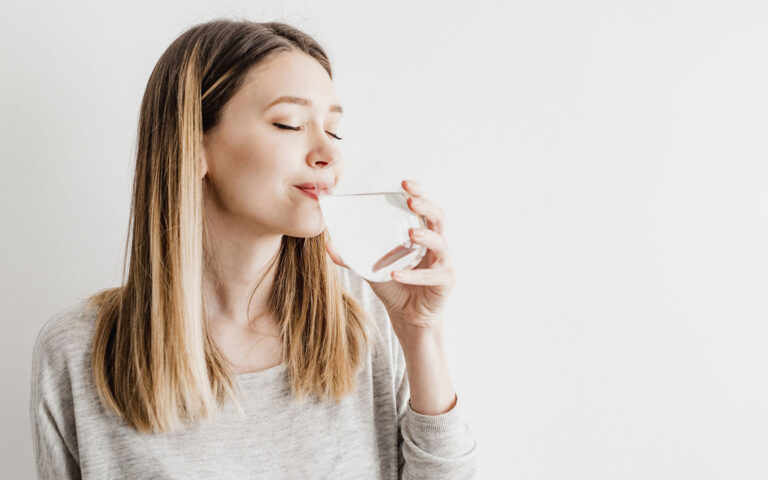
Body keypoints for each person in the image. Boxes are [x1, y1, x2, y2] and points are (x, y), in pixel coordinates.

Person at [29, 18, 478, 479]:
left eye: (335, 130)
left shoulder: (367, 315)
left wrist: (420, 334)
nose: (330, 152)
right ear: (194, 145)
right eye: (289, 123)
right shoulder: (78, 352)